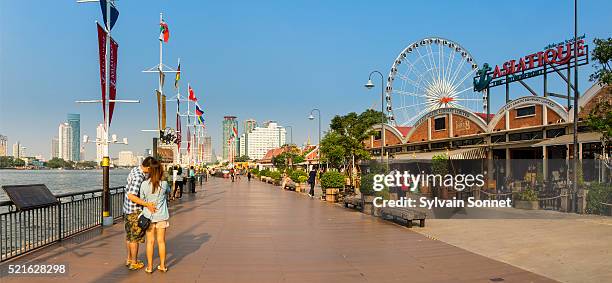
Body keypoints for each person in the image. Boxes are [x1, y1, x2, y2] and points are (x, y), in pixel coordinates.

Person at [123, 156, 157, 270]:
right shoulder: (139, 177)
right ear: (148, 167)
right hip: (134, 211)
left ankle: (129, 259)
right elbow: (131, 195)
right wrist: (147, 204)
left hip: (127, 209)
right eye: (151, 169)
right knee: (134, 238)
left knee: (129, 236)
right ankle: (134, 262)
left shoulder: (135, 170)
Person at [139, 158, 171, 273]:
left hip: (149, 217)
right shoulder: (164, 184)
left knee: (150, 242)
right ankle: (162, 266)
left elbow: (142, 199)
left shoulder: (144, 184)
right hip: (162, 216)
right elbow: (168, 191)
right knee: (161, 241)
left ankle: (149, 267)